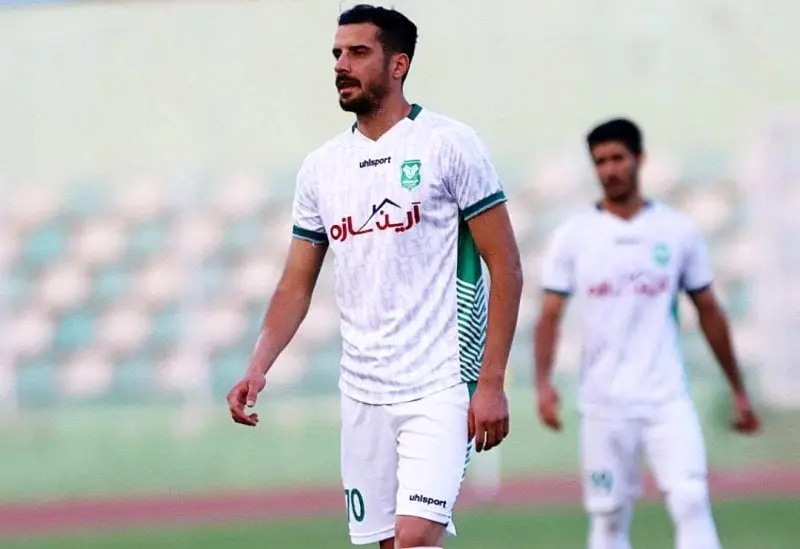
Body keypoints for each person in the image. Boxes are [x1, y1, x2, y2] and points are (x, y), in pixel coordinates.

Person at [227, 5, 523, 548]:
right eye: (337, 54)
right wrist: (257, 366)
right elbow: (295, 284)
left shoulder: (449, 144)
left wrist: (492, 382)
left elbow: (505, 263)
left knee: (414, 538)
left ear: (398, 64)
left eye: (358, 52)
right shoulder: (321, 168)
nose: (341, 64)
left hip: (440, 383)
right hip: (363, 392)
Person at [533, 118, 760, 549]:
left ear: (640, 159)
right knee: (608, 517)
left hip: (666, 398)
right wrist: (543, 384)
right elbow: (548, 317)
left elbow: (708, 310)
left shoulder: (676, 231)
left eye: (618, 158)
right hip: (603, 403)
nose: (610, 170)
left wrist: (737, 388)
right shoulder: (574, 236)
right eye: (600, 161)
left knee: (691, 499)